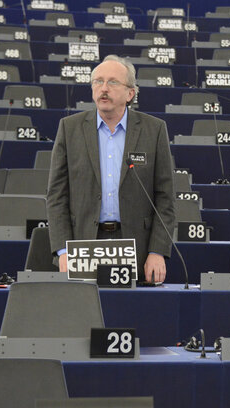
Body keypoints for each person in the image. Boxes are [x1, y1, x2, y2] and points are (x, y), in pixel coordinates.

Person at [47, 55, 175, 282]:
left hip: (137, 245)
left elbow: (165, 198)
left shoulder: (154, 130)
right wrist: (63, 251)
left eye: (113, 82)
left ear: (130, 93)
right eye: (98, 81)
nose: (103, 88)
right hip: (83, 244)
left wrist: (157, 251)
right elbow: (56, 196)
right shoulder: (69, 128)